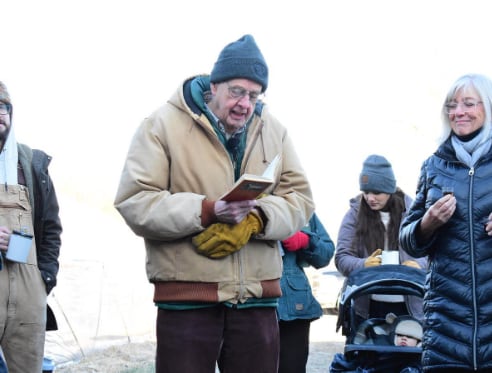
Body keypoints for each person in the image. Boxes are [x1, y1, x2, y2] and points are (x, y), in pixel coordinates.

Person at [113, 34, 314, 373]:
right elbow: (135, 201)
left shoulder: (274, 129)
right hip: (187, 300)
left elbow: (301, 198)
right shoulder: (160, 125)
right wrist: (207, 211)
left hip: (257, 299)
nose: (245, 103)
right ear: (214, 86)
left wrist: (259, 219)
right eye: (236, 91)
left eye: (253, 95)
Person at [400, 73, 492, 372]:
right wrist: (427, 223)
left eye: (468, 103)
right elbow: (407, 240)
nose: (458, 112)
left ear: (487, 107)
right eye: (452, 105)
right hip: (447, 330)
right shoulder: (434, 166)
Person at [0, 81, 62, 373]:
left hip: (28, 295)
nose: (0, 113)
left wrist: (44, 281)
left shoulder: (31, 165)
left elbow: (50, 230)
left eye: (4, 107)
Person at [335, 154, 427, 321]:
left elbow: (434, 253)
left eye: (376, 192)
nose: (370, 198)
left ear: (389, 189)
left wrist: (418, 265)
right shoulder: (354, 215)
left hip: (410, 305)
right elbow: (341, 258)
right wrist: (363, 264)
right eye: (366, 192)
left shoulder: (414, 213)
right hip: (366, 306)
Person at [277, 212, 335, 373]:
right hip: (250, 304)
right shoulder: (242, 200)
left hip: (294, 307)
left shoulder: (299, 207)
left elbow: (326, 254)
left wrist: (307, 241)